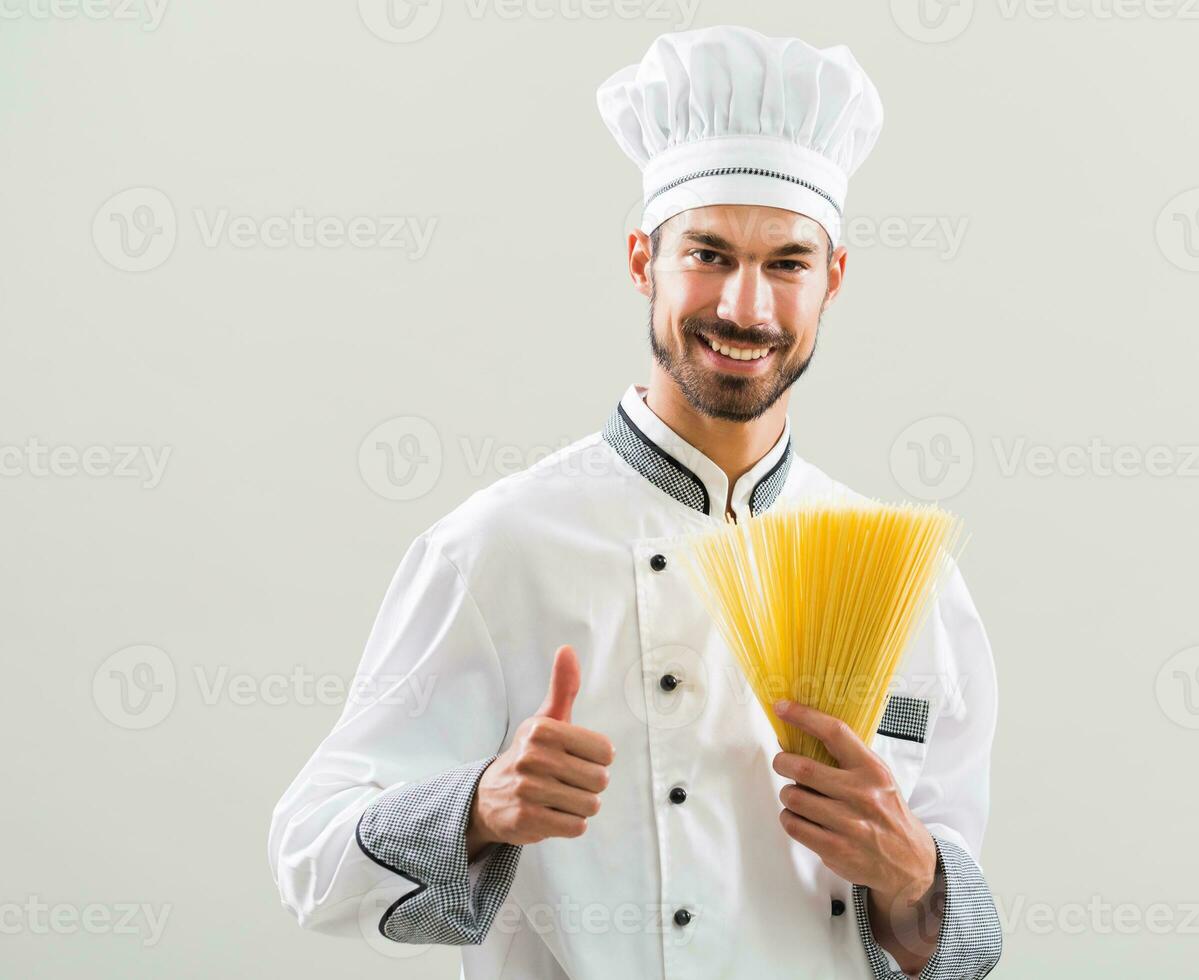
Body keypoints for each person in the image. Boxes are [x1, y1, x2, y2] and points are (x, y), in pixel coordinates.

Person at [267, 24, 1002, 979]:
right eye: (707, 253)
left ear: (834, 279)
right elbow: (308, 860)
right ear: (639, 259)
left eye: (786, 262)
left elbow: (954, 936)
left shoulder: (908, 580)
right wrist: (481, 807)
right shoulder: (501, 547)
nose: (746, 308)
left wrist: (912, 879)